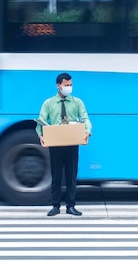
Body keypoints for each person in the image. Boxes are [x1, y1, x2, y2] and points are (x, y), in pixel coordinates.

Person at [36, 72, 92, 216]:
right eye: (66, 85)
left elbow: (85, 118)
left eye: (70, 85)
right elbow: (42, 119)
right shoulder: (48, 103)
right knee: (56, 176)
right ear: (58, 85)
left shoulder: (77, 102)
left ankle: (70, 206)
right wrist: (41, 134)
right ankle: (55, 206)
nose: (69, 87)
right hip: (56, 144)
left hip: (72, 143)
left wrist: (87, 131)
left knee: (71, 175)